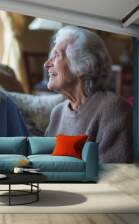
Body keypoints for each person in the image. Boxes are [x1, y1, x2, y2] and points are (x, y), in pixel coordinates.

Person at [44, 26, 132, 163]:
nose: (46, 64)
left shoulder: (113, 109)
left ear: (83, 66)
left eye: (56, 56)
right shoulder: (57, 113)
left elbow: (113, 174)